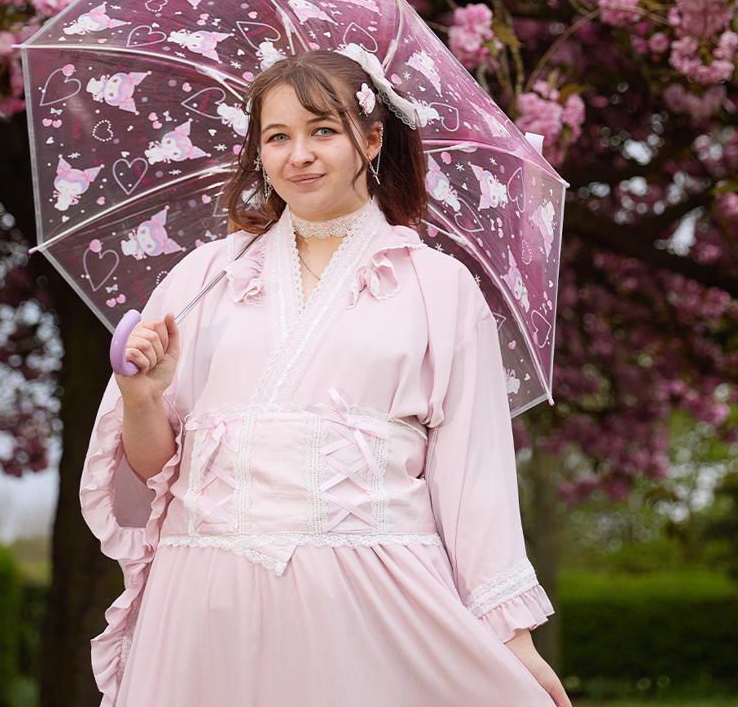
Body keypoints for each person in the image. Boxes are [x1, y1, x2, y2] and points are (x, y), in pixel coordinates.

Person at [79, 47, 572, 707]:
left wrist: (513, 638)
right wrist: (141, 397)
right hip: (203, 599)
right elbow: (152, 476)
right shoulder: (203, 280)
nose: (298, 155)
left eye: (323, 131)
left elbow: (473, 477)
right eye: (277, 137)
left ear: (370, 138)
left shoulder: (438, 288)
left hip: (372, 597)